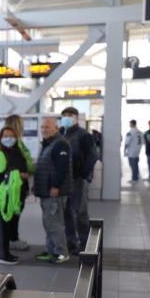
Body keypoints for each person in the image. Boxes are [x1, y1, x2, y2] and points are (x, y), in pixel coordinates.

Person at [34, 117, 72, 264]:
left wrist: (55, 186)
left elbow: (61, 168)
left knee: (55, 223)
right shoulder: (48, 144)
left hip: (53, 192)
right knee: (49, 222)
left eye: (47, 127)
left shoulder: (60, 144)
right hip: (46, 191)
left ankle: (62, 253)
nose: (44, 129)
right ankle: (50, 250)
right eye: (42, 127)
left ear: (56, 128)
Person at [60, 107, 97, 255]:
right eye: (64, 115)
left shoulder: (83, 135)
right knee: (67, 211)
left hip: (77, 178)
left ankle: (85, 242)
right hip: (65, 179)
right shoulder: (62, 133)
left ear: (76, 117)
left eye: (70, 115)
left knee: (80, 211)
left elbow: (92, 155)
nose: (67, 118)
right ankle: (71, 242)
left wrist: (83, 173)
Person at [0, 126, 28, 265]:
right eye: (5, 136)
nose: (8, 139)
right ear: (0, 138)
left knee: (8, 224)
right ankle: (0, 255)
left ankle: (6, 253)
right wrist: (20, 174)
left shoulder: (17, 151)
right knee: (1, 224)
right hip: (1, 193)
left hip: (12, 194)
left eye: (11, 136)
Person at [4, 114, 34, 252]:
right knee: (13, 213)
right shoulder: (14, 144)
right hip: (16, 184)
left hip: (19, 184)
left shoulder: (17, 142)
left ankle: (11, 239)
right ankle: (12, 240)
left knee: (15, 212)